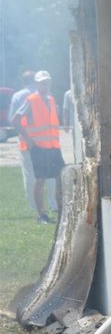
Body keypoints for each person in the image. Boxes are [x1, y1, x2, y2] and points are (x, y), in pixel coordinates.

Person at [16, 71, 64, 225]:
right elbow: (16, 119)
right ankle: (41, 215)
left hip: (53, 147)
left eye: (47, 82)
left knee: (60, 178)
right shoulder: (31, 100)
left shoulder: (51, 99)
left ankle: (62, 212)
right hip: (39, 147)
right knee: (40, 180)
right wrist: (28, 139)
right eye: (42, 82)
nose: (46, 85)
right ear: (37, 84)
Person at [9, 71, 38, 213]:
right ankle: (52, 204)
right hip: (44, 140)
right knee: (49, 174)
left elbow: (12, 118)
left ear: (23, 81)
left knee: (29, 174)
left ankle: (32, 205)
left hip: (26, 140)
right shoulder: (43, 94)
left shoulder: (17, 96)